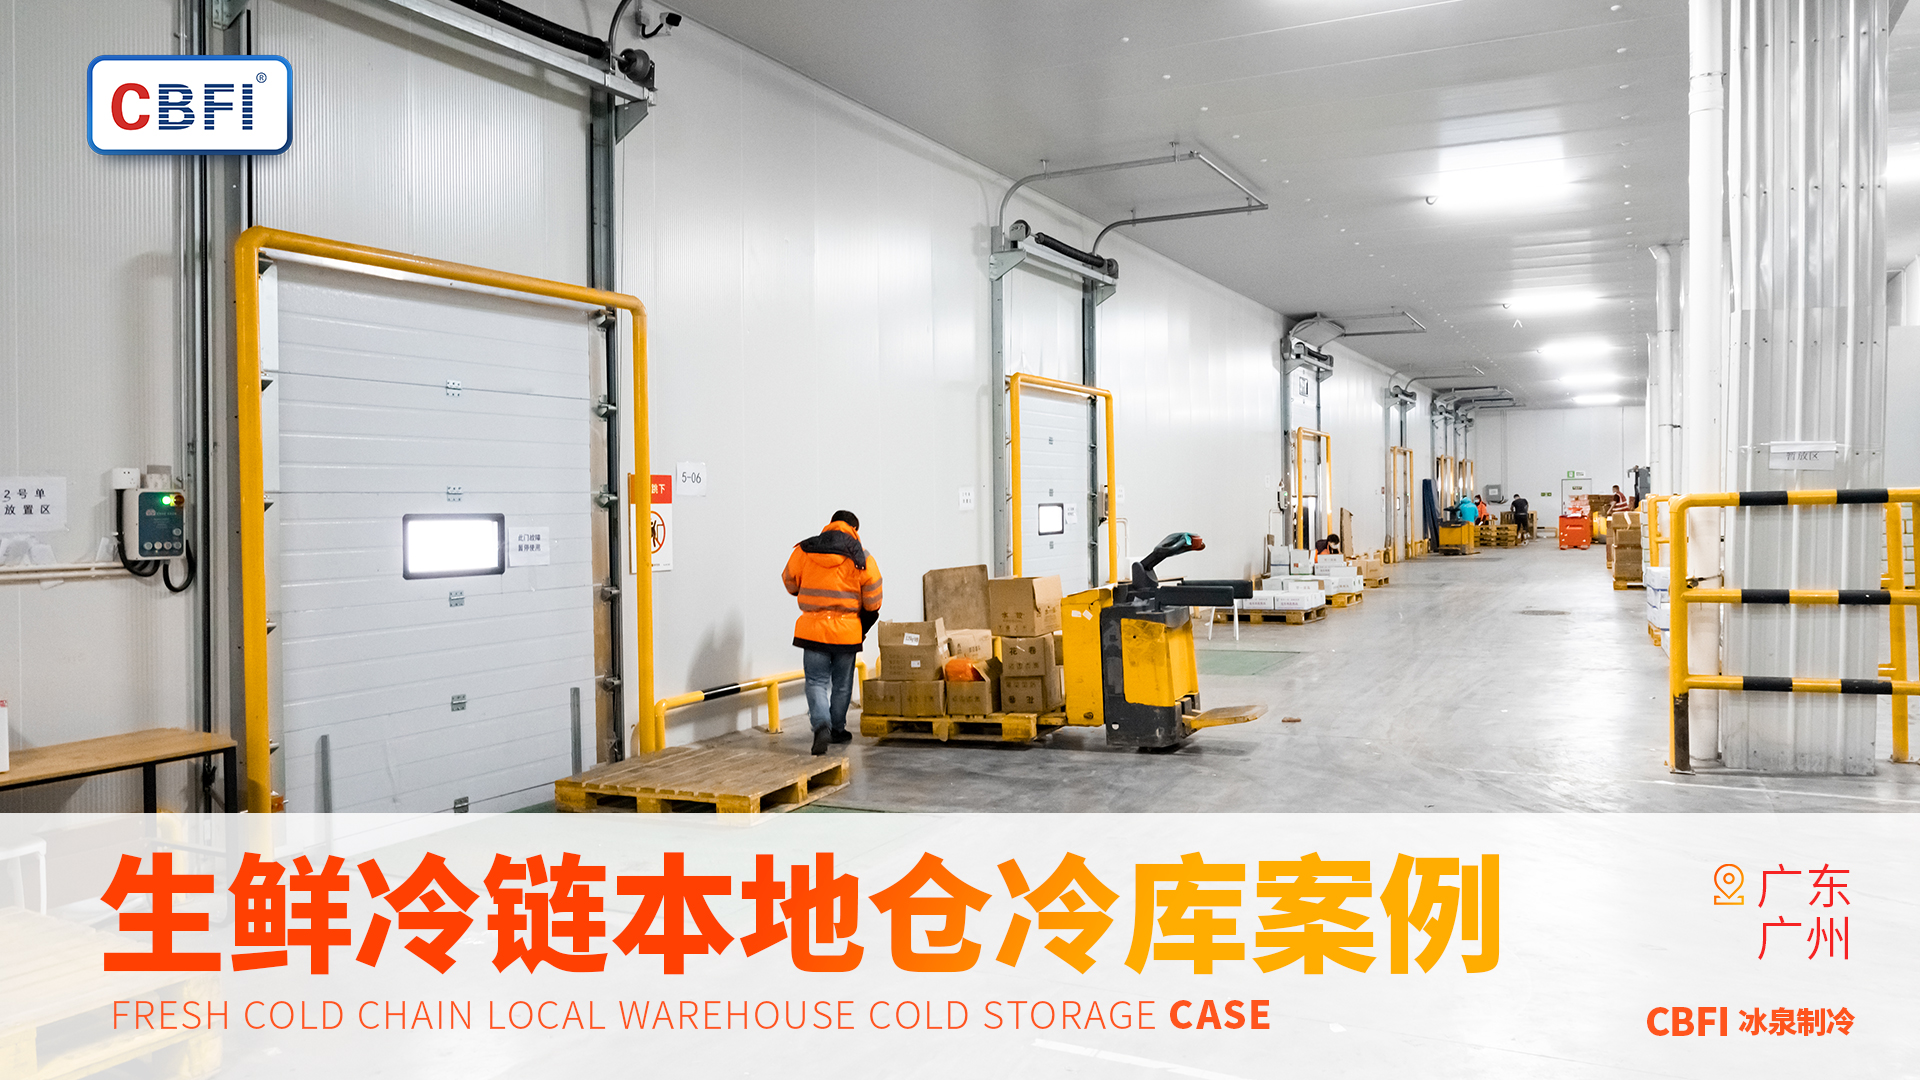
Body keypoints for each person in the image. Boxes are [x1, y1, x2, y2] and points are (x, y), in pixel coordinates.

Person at [782, 511, 883, 755]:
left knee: (816, 681)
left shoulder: (804, 549)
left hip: (813, 631)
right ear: (854, 529)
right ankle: (837, 729)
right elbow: (873, 601)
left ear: (830, 524)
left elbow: (789, 582)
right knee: (842, 684)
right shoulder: (861, 556)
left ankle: (821, 726)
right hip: (847, 633)